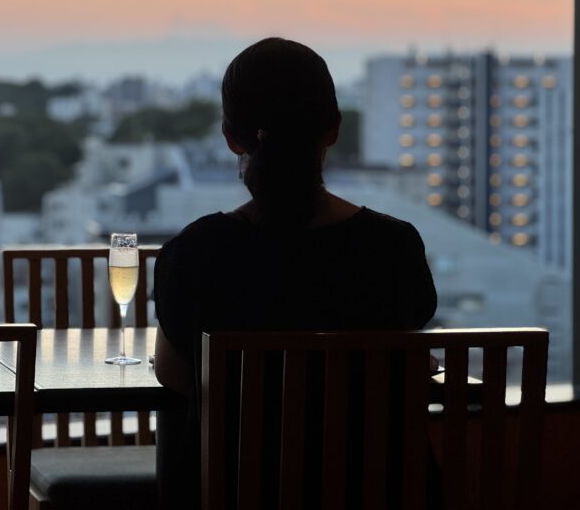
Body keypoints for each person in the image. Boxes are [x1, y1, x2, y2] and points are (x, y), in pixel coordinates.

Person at [153, 37, 437, 509]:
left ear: (231, 137)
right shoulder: (393, 247)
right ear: (333, 129)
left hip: (238, 491)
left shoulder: (197, 252)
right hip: (375, 492)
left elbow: (175, 374)